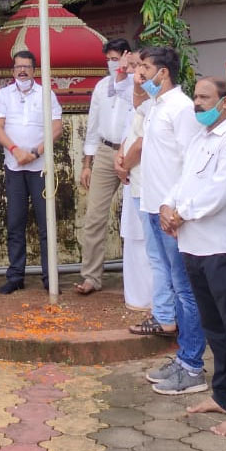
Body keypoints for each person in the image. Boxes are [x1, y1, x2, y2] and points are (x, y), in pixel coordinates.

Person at [158, 78, 226, 422]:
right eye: (196, 97)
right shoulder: (199, 138)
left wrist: (180, 214)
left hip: (224, 250)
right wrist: (166, 206)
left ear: (225, 102)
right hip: (193, 247)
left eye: (204, 97)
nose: (197, 103)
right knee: (215, 330)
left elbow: (220, 191)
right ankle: (224, 396)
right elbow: (183, 181)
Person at [132, 46, 206, 394]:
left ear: (163, 72)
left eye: (145, 67)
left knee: (186, 290)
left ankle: (193, 365)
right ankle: (182, 359)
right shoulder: (155, 106)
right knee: (174, 286)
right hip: (152, 206)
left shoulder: (181, 108)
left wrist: (176, 208)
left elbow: (191, 163)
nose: (140, 73)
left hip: (170, 213)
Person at [0, 50, 63, 295]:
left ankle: (49, 276)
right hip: (14, 167)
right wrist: (15, 150)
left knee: (46, 224)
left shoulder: (46, 94)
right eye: (18, 67)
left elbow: (57, 128)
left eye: (27, 67)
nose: (22, 71)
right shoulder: (3, 95)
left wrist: (34, 152)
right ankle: (15, 276)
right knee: (15, 222)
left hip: (40, 168)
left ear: (34, 70)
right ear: (13, 71)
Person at [76, 38, 132, 295]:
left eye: (116, 58)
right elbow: (93, 126)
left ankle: (141, 279)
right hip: (106, 151)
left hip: (133, 153)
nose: (112, 64)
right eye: (108, 59)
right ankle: (91, 277)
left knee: (137, 218)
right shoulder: (101, 87)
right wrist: (87, 163)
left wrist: (126, 74)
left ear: (127, 56)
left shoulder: (139, 85)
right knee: (94, 217)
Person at [114, 63, 153, 312]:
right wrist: (120, 158)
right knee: (134, 237)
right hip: (132, 180)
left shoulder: (158, 107)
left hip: (148, 179)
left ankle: (154, 302)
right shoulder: (136, 107)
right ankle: (137, 298)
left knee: (151, 244)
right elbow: (128, 138)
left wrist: (124, 165)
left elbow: (140, 144)